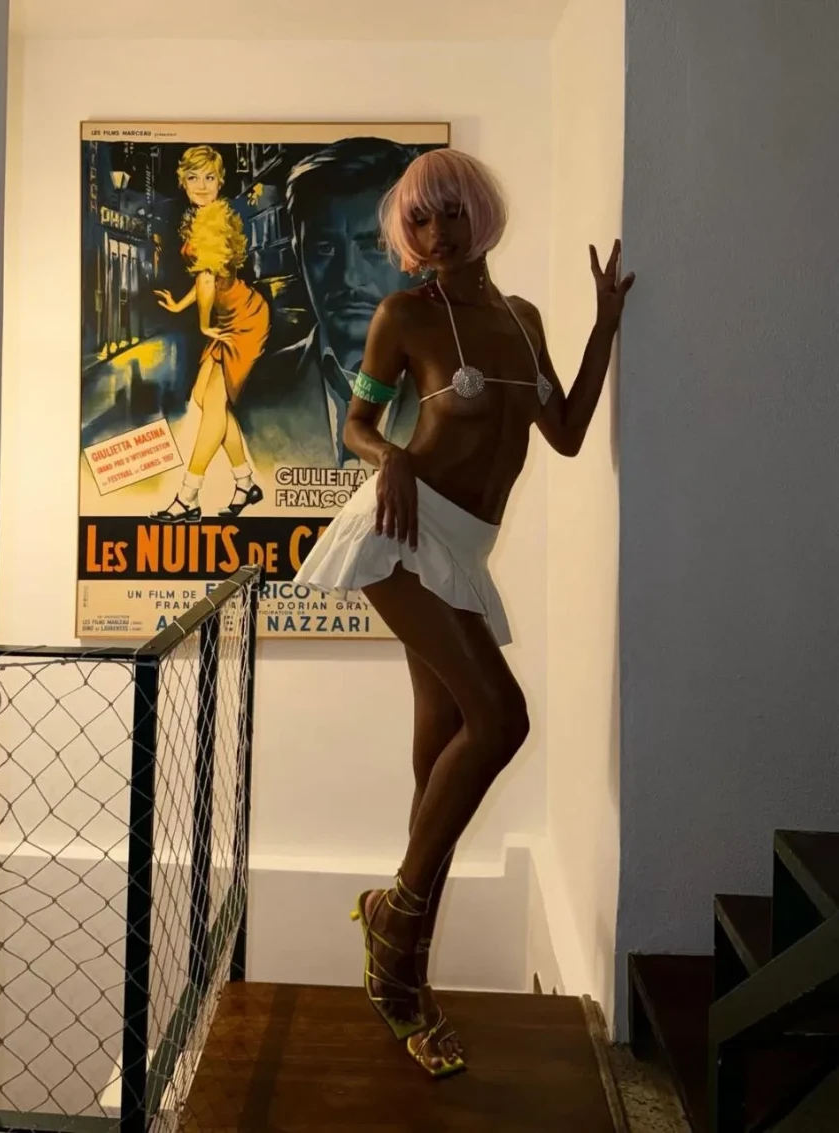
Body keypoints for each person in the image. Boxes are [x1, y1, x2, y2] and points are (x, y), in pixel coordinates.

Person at [294, 148, 634, 1078]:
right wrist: (391, 457)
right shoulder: (405, 316)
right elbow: (358, 425)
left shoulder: (522, 321)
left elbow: (566, 432)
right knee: (502, 717)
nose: (436, 233)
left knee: (439, 760)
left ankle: (401, 975)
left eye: (450, 214)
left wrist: (606, 327)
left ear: (479, 215)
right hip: (402, 534)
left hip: (465, 550)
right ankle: (395, 924)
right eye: (420, 219)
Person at [239, 138, 425, 467]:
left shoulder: (456, 388)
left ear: (418, 256)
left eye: (376, 247)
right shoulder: (257, 390)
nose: (349, 276)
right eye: (324, 248)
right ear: (299, 256)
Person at [152, 145, 270, 522]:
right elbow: (209, 278)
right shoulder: (205, 217)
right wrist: (180, 306)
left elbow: (207, 279)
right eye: (193, 177)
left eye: (209, 177)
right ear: (183, 182)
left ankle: (187, 497)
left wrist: (203, 323)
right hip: (234, 310)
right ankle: (245, 483)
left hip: (243, 318)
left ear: (220, 182)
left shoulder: (212, 221)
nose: (201, 185)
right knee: (205, 399)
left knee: (213, 406)